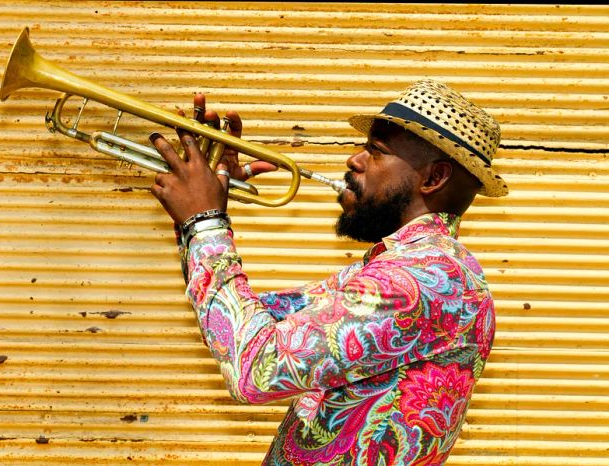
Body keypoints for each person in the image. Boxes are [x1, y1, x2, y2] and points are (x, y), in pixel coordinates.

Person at [149, 79, 508, 465]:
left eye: (376, 151)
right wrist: (204, 205)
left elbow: (252, 366)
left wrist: (204, 221)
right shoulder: (406, 270)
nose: (354, 161)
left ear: (433, 178)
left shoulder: (421, 281)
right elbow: (236, 327)